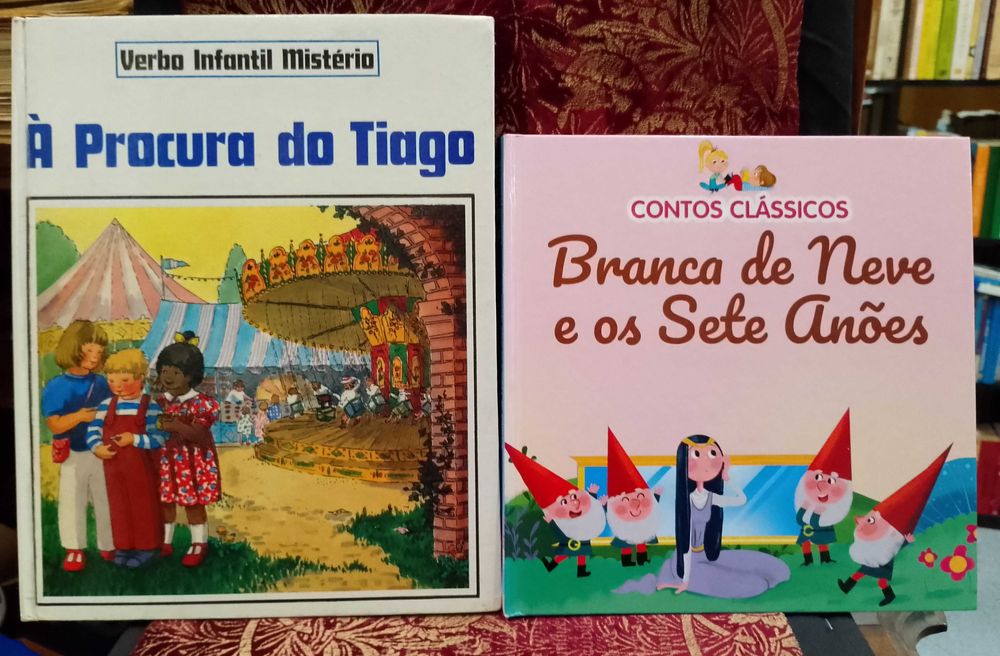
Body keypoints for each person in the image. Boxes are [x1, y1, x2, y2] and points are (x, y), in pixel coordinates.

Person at [616, 435, 789, 598]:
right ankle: (677, 576)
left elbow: (741, 500)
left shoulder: (710, 497)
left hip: (707, 555)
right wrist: (685, 581)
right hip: (686, 562)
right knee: (756, 585)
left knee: (779, 570)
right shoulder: (687, 502)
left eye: (712, 454)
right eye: (697, 455)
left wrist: (727, 477)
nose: (706, 461)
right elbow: (686, 548)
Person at [41, 320, 113, 572]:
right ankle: (74, 548)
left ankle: (108, 544)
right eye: (89, 350)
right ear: (73, 348)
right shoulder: (56, 386)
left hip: (100, 450)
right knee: (72, 500)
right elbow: (55, 425)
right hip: (72, 452)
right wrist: (80, 416)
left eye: (99, 352)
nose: (95, 356)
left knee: (105, 498)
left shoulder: (102, 383)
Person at [839, 446, 951, 606]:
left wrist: (907, 542)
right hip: (874, 556)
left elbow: (897, 544)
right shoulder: (874, 543)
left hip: (883, 559)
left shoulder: (891, 540)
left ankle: (886, 595)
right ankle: (847, 587)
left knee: (878, 579)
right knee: (863, 572)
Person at [84, 349, 164, 568]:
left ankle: (146, 547)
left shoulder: (149, 406)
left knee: (143, 507)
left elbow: (158, 438)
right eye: (112, 381)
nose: (117, 386)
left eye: (125, 380)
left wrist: (134, 439)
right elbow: (94, 430)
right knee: (119, 507)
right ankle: (124, 546)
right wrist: (97, 447)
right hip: (113, 468)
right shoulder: (106, 405)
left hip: (142, 471)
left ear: (140, 378)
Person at [155, 333, 221, 568]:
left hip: (193, 464)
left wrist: (175, 425)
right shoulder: (159, 403)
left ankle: (198, 543)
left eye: (175, 372)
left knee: (193, 504)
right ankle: (164, 541)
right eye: (164, 371)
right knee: (165, 502)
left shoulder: (202, 403)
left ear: (190, 375)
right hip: (166, 462)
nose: (168, 377)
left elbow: (199, 434)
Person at [505, 443, 607, 578]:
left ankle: (580, 571)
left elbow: (593, 510)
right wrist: (551, 520)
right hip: (570, 538)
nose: (574, 503)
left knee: (581, 553)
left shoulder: (589, 517)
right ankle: (551, 565)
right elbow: (559, 526)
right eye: (564, 502)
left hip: (582, 537)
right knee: (566, 553)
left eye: (574, 497)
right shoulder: (564, 523)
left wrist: (595, 497)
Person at [795, 410, 853, 566]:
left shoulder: (831, 512)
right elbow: (800, 520)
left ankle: (825, 559)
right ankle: (808, 561)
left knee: (822, 542)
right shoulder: (805, 502)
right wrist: (805, 509)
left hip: (822, 530)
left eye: (832, 481)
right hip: (808, 529)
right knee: (806, 543)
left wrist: (816, 514)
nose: (822, 485)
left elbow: (818, 522)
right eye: (818, 478)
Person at [605, 428, 661, 567]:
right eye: (625, 500)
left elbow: (652, 505)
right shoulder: (616, 516)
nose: (635, 504)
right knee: (627, 544)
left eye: (640, 496)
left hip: (641, 528)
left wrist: (656, 496)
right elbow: (610, 512)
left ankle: (642, 559)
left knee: (641, 541)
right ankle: (627, 561)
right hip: (627, 529)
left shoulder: (647, 515)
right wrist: (605, 504)